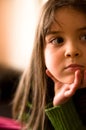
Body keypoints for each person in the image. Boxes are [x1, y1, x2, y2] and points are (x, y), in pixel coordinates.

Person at [13, 0, 86, 129]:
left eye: (85, 37)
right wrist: (61, 108)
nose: (72, 51)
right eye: (58, 40)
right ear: (41, 52)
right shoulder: (33, 89)